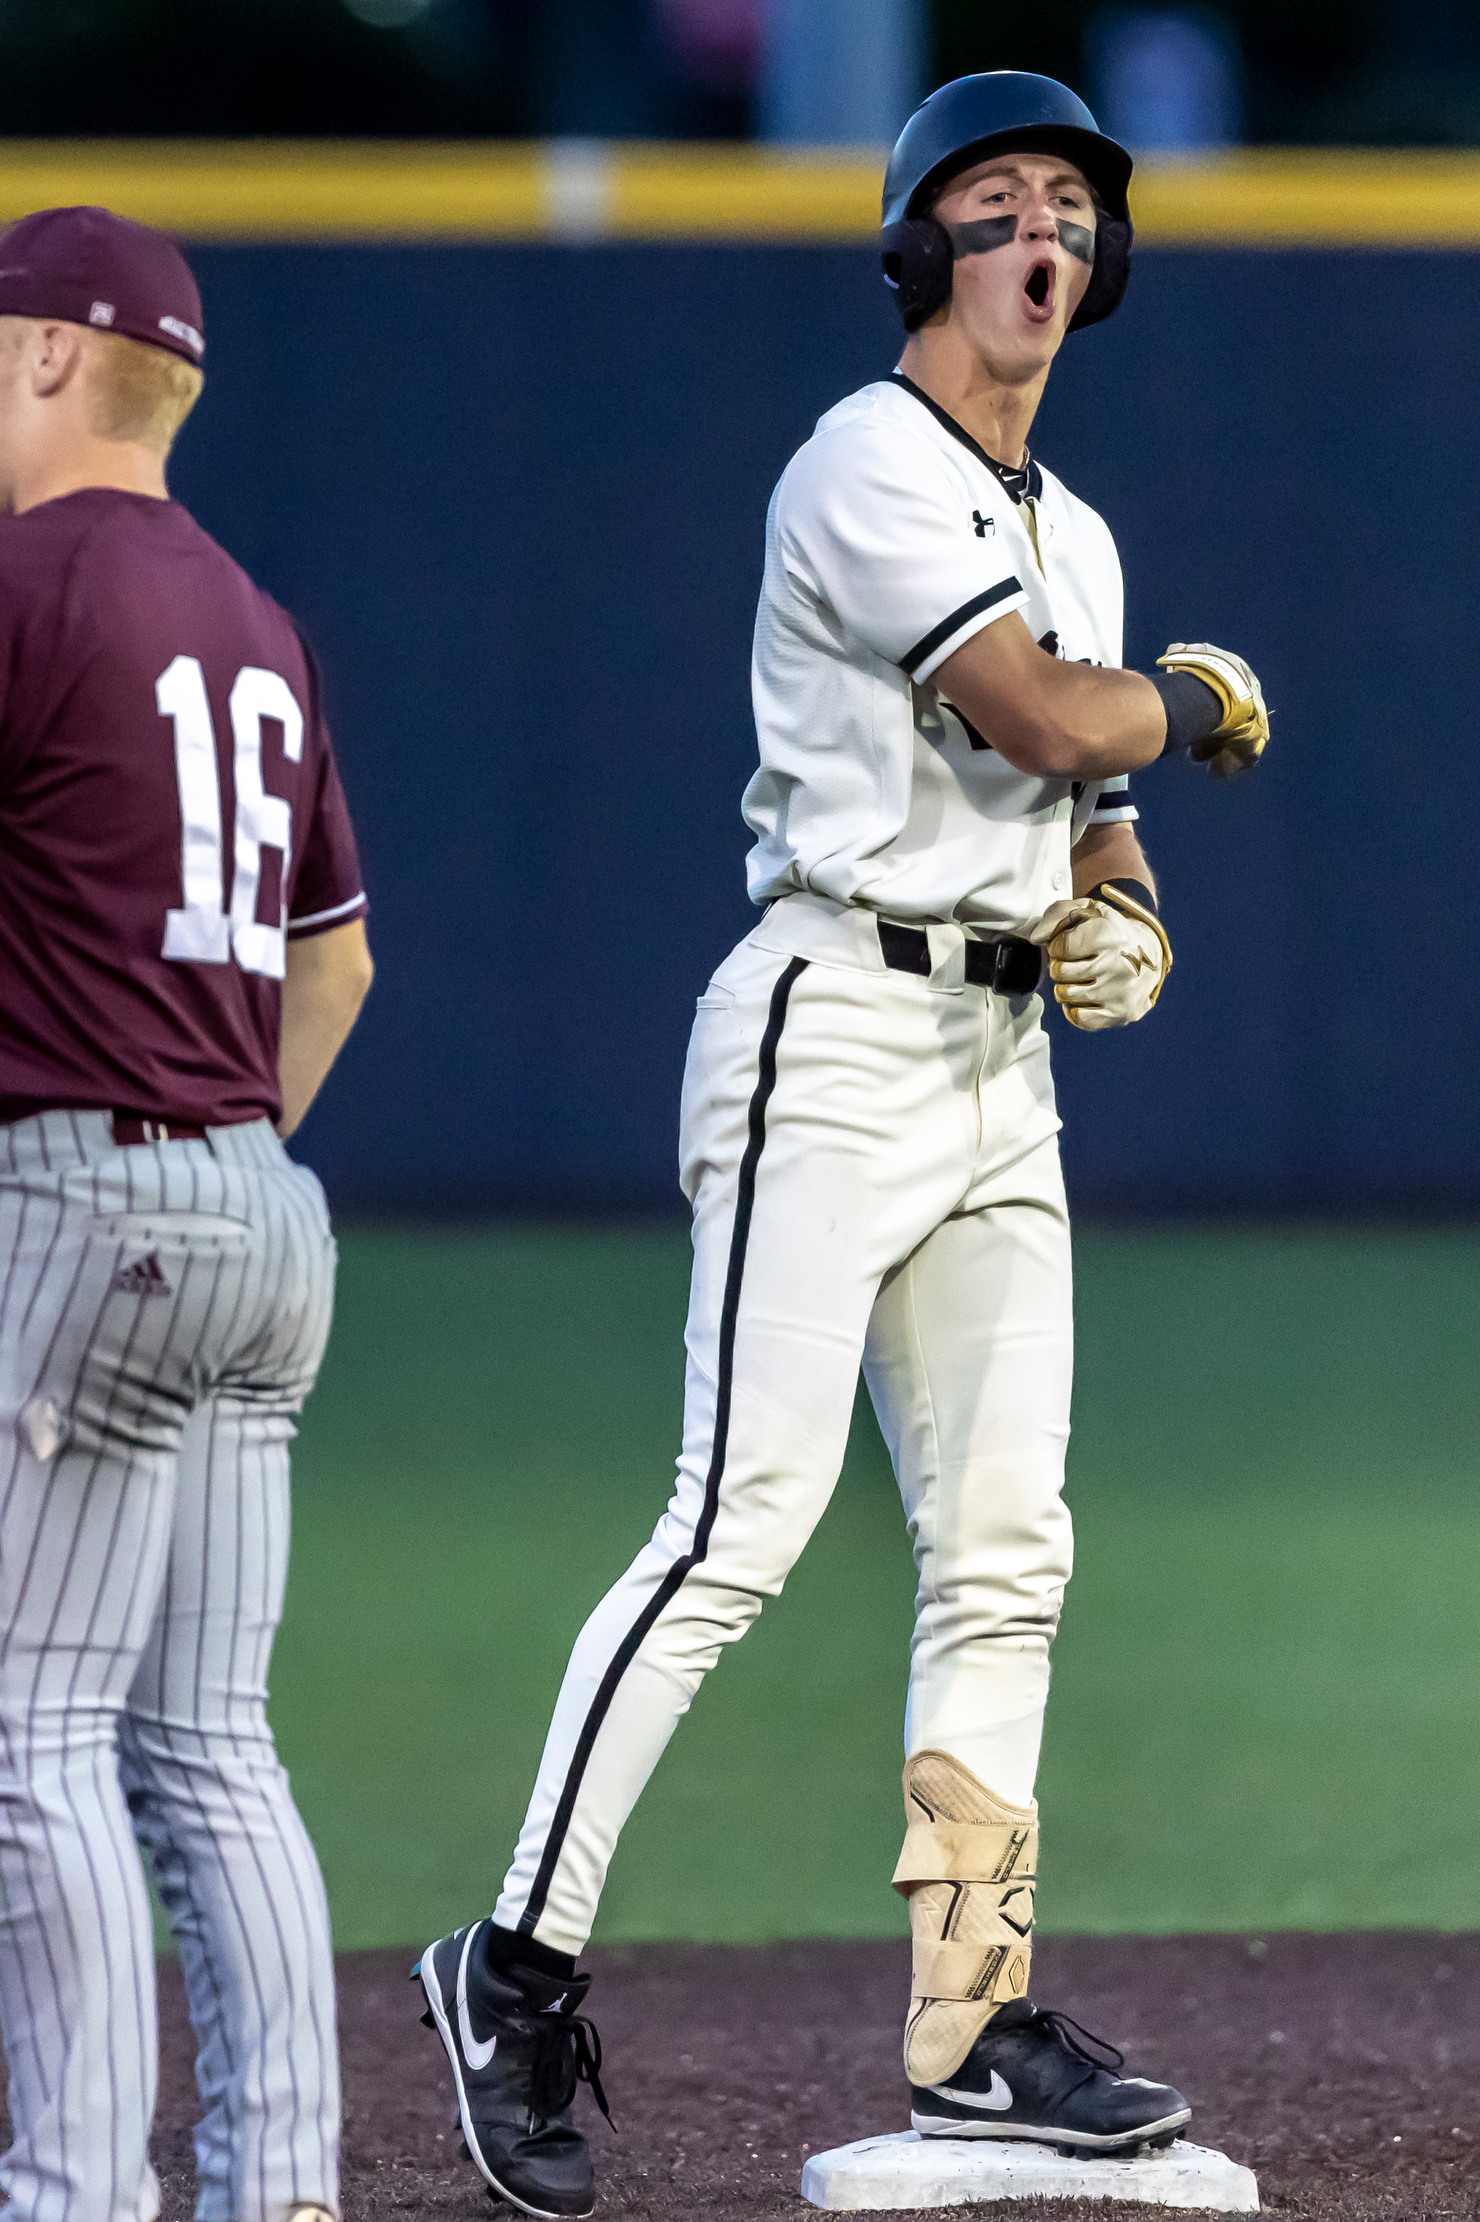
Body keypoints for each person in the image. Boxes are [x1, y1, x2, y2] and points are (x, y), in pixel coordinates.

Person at [417, 71, 1268, 2220]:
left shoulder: (1069, 529)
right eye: (987, 205)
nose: (1030, 237)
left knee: (1009, 1546)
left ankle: (971, 2025)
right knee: (736, 1522)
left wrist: (1128, 930)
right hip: (830, 1027)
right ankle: (509, 1962)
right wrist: (1181, 698)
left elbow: (1099, 822)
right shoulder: (860, 463)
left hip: (996, 1066)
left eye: (1062, 205)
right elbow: (1062, 721)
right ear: (916, 252)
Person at [0, 206, 373, 2222]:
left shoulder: (25, 580)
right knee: (210, 1742)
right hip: (257, 1198)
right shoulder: (252, 616)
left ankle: (67, 2196)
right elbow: (340, 963)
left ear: (52, 355)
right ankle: (281, 2188)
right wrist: (217, 1150)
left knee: (25, 1733)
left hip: (85, 1195)